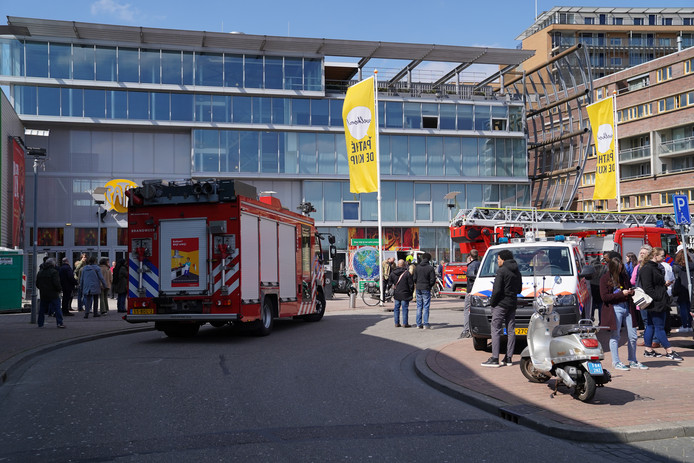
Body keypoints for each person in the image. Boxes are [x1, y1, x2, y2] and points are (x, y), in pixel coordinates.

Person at [600, 257, 648, 371]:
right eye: (618, 269)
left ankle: (632, 360)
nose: (620, 271)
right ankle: (616, 361)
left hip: (627, 306)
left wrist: (630, 292)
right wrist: (622, 294)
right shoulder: (605, 278)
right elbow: (605, 297)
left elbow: (626, 289)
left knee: (633, 335)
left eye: (621, 268)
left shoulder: (624, 276)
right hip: (615, 308)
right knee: (615, 335)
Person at [640, 247, 683, 361]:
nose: (664, 258)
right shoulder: (648, 268)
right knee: (659, 327)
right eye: (662, 256)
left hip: (657, 301)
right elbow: (648, 288)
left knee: (651, 325)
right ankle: (669, 351)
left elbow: (654, 285)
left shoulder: (654, 267)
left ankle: (648, 350)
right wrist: (659, 297)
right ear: (655, 256)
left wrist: (664, 285)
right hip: (656, 303)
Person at [482, 249, 522, 367]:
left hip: (500, 304)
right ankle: (508, 358)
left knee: (495, 329)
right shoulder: (517, 271)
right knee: (511, 330)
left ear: (503, 259)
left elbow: (497, 290)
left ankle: (495, 358)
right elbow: (519, 290)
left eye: (498, 259)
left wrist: (492, 302)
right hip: (512, 303)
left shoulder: (502, 271)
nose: (497, 261)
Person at [36, 258, 65, 328]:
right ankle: (59, 323)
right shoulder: (54, 272)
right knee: (57, 308)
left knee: (42, 310)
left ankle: (40, 323)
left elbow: (37, 284)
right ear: (53, 264)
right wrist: (59, 290)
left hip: (43, 294)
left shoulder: (40, 272)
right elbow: (56, 283)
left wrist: (42, 288)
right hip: (53, 293)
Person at [459, 249, 480, 338]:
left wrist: (470, 291)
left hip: (471, 291)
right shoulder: (480, 263)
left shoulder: (471, 265)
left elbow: (471, 276)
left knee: (467, 311)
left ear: (470, 257)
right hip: (478, 291)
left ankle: (466, 330)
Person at [413, 252, 436, 329]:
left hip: (418, 287)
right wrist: (429, 286)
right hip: (426, 287)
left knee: (419, 306)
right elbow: (433, 280)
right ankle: (425, 323)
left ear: (422, 258)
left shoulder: (417, 267)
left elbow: (414, 279)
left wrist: (417, 284)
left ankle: (418, 324)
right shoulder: (430, 268)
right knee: (426, 306)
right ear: (429, 259)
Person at [672, 249, 694, 333]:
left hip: (681, 288)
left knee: (682, 308)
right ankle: (690, 325)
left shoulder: (676, 266)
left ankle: (685, 325)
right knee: (690, 307)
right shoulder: (692, 266)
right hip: (690, 287)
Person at [389, 259, 414, 327]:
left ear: (398, 264)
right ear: (404, 264)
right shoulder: (407, 273)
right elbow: (411, 284)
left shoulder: (393, 273)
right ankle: (405, 323)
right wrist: (411, 293)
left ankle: (396, 323)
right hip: (405, 293)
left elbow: (389, 283)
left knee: (396, 308)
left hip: (397, 293)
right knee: (405, 308)